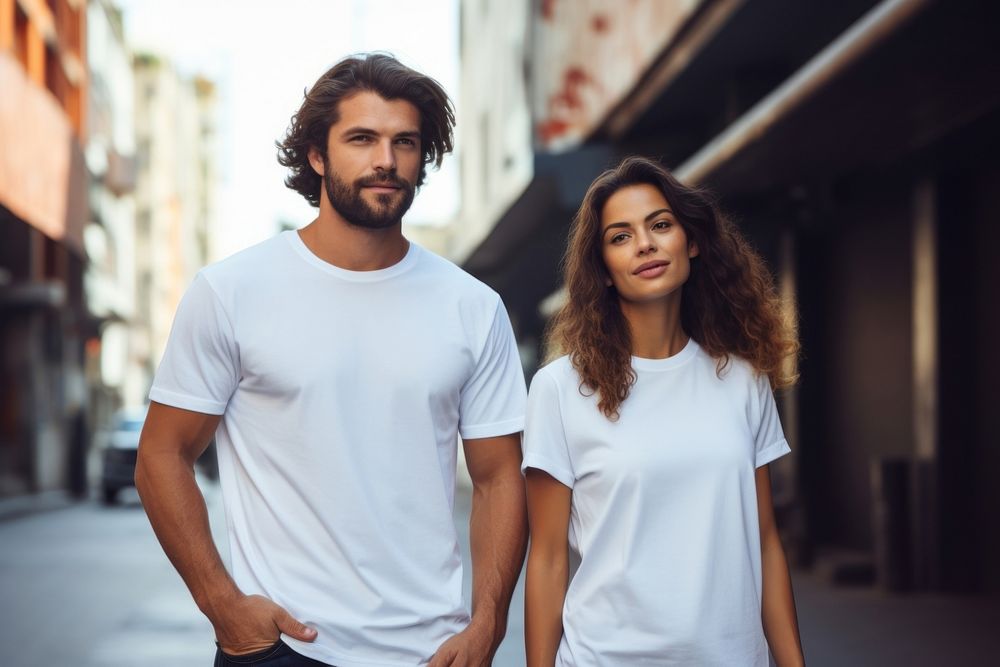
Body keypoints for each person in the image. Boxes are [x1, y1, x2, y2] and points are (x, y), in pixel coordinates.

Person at [136, 53, 528, 667]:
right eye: (361, 139)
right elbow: (162, 454)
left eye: (405, 142)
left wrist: (489, 625)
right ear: (317, 155)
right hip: (282, 647)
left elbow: (499, 477)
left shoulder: (473, 307)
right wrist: (222, 604)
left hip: (432, 652)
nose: (386, 160)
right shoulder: (232, 292)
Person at [522, 156, 805, 666]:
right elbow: (545, 559)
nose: (645, 244)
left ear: (691, 242)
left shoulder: (742, 379)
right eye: (620, 236)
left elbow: (765, 542)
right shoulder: (559, 390)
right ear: (602, 269)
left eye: (659, 225)